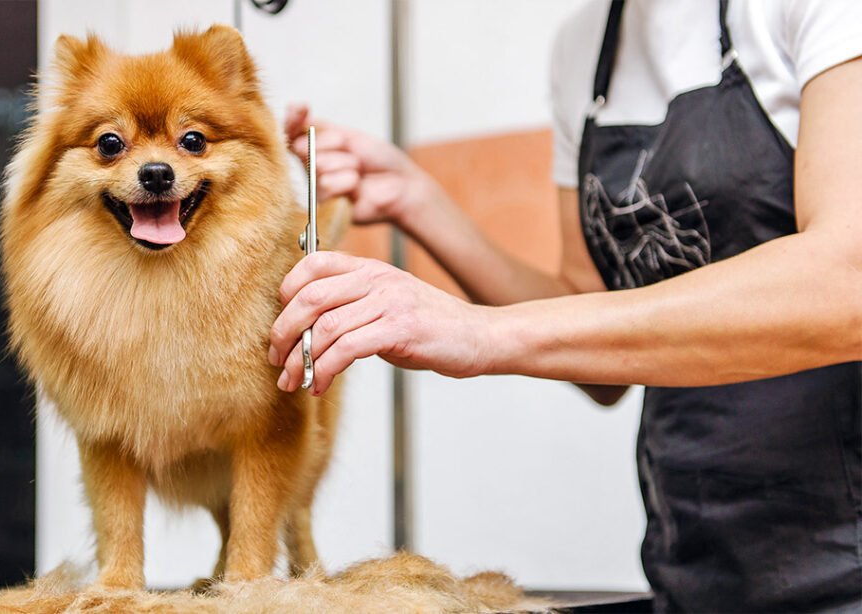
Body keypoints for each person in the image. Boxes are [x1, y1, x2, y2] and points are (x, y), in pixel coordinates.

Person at [269, 0, 862, 611]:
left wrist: (481, 332)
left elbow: (847, 283)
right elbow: (592, 340)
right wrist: (415, 199)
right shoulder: (584, 50)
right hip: (693, 561)